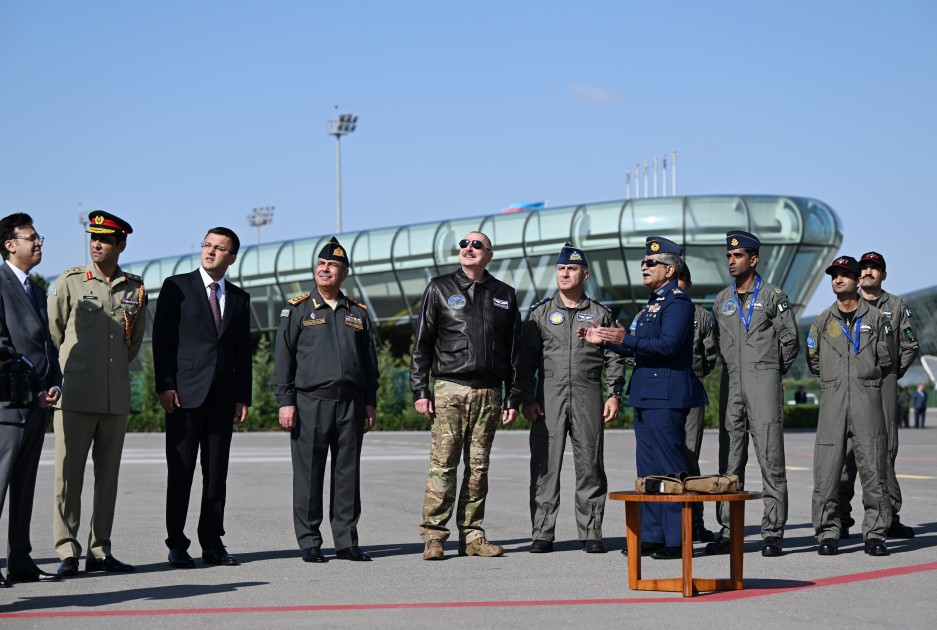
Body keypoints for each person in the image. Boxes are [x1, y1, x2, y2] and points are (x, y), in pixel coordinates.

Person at [580, 236, 707, 560]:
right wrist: (605, 341)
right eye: (644, 263)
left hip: (666, 396)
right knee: (648, 469)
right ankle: (652, 535)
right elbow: (637, 345)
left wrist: (627, 338)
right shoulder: (651, 305)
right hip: (646, 394)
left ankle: (677, 539)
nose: (644, 267)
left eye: (651, 263)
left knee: (669, 469)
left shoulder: (678, 302)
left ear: (670, 268)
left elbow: (667, 346)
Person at [411, 232, 521, 560]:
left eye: (476, 245)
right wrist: (420, 389)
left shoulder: (504, 294)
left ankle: (473, 536)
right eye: (464, 244)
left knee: (478, 467)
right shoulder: (439, 288)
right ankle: (434, 535)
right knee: (443, 465)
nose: (468, 249)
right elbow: (422, 343)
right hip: (449, 389)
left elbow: (515, 352)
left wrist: (514, 396)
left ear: (489, 254)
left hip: (488, 392)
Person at [47, 211, 145, 576]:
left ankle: (100, 550)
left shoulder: (135, 288)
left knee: (109, 479)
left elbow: (132, 342)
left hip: (114, 396)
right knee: (67, 476)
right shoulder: (70, 281)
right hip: (75, 394)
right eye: (93, 237)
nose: (97, 244)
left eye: (105, 238)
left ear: (121, 244)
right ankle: (66, 551)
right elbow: (53, 333)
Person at [274, 237, 379, 563]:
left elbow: (369, 362)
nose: (325, 269)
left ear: (344, 273)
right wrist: (285, 400)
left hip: (350, 403)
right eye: (321, 264)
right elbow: (283, 359)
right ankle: (309, 542)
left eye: (332, 265)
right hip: (309, 403)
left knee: (347, 475)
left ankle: (346, 541)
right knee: (308, 476)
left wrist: (370, 401)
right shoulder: (297, 309)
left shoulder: (357, 313)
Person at [153, 227, 252, 569]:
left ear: (232, 257)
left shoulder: (240, 298)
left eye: (219, 248)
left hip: (222, 398)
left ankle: (212, 542)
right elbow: (162, 340)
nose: (210, 251)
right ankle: (177, 544)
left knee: (216, 475)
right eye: (207, 245)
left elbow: (243, 352)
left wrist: (243, 396)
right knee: (180, 473)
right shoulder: (176, 287)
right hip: (183, 396)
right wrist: (164, 385)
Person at [519, 243, 625, 554]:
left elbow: (614, 357)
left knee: (590, 464)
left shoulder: (600, 314)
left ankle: (591, 532)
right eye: (562, 269)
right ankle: (542, 533)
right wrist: (527, 398)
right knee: (545, 465)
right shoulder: (540, 314)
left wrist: (614, 393)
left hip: (588, 392)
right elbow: (525, 363)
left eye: (572, 269)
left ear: (585, 274)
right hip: (548, 396)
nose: (565, 273)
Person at [707, 230, 798, 558]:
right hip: (732, 385)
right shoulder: (722, 300)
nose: (731, 261)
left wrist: (770, 370)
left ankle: (772, 532)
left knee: (771, 459)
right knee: (729, 461)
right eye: (729, 256)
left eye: (738, 256)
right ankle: (729, 529)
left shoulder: (774, 296)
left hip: (764, 384)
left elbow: (790, 341)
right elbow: (716, 343)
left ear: (754, 259)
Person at [806, 256, 891, 557]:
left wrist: (864, 380)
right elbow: (813, 360)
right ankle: (828, 533)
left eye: (845, 275)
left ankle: (875, 534)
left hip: (867, 397)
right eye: (834, 276)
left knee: (873, 467)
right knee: (827, 470)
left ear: (857, 281)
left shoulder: (877, 319)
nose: (838, 280)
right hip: (833, 398)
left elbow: (888, 358)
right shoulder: (821, 321)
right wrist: (836, 380)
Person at [838, 251, 919, 539]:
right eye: (865, 268)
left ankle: (889, 516)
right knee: (846, 451)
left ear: (884, 275)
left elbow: (910, 344)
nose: (868, 272)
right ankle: (841, 518)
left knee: (884, 451)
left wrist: (891, 374)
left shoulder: (897, 306)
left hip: (882, 385)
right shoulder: (845, 303)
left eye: (875, 268)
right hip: (850, 385)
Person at [0, 213, 62, 587]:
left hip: (37, 405)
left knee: (24, 488)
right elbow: (2, 347)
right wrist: (32, 384)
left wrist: (55, 383)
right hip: (8, 405)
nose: (39, 243)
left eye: (39, 238)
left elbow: (47, 346)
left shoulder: (35, 288)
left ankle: (21, 562)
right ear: (10, 244)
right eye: (31, 238)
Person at [677, 265, 718, 542]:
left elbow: (710, 354)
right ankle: (663, 527)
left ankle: (695, 523)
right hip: (659, 395)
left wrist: (693, 374)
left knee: (690, 458)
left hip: (691, 391)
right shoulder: (648, 312)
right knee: (659, 462)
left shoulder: (701, 316)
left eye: (680, 280)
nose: (675, 285)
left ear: (688, 284)